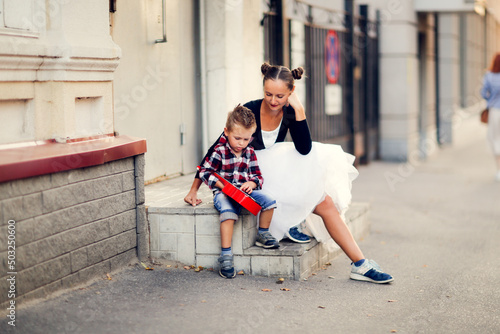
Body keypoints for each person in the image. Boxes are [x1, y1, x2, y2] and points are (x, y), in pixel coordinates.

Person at [187, 63, 394, 283]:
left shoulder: (289, 111)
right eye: (268, 94)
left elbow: (304, 148)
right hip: (252, 175)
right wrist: (194, 189)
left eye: (280, 96)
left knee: (325, 202)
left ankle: (360, 264)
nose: (273, 101)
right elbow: (215, 150)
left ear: (290, 93)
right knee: (315, 199)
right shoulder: (250, 110)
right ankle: (295, 223)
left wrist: (299, 110)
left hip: (274, 172)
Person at [198, 104, 279, 279]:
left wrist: (251, 183)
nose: (241, 144)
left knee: (270, 201)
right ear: (226, 132)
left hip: (245, 193)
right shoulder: (219, 151)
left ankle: (263, 233)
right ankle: (226, 255)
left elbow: (258, 176)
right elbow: (205, 171)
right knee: (228, 214)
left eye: (246, 139)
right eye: (237, 138)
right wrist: (220, 185)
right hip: (223, 193)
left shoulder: (249, 152)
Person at [481, 53, 500, 182]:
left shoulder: (489, 76)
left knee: (495, 139)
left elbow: (483, 93)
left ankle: (499, 170)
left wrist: (490, 100)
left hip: (495, 111)